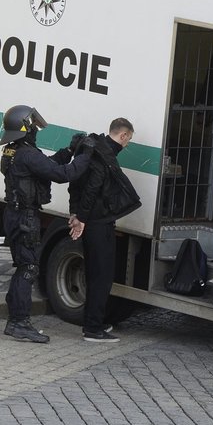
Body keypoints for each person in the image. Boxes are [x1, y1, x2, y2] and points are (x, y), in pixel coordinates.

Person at [0, 105, 91, 343]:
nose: (36, 131)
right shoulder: (27, 154)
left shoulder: (14, 151)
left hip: (14, 214)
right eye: (33, 127)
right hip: (24, 218)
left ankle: (16, 317)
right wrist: (84, 156)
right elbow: (61, 174)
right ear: (25, 129)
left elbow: (46, 165)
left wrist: (70, 150)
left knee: (23, 266)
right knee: (28, 268)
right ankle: (18, 322)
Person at [68, 118, 140, 343]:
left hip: (93, 221)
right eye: (128, 140)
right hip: (99, 223)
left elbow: (75, 184)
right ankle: (92, 329)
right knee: (102, 276)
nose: (127, 145)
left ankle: (93, 323)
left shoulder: (93, 150)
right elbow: (92, 189)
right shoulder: (104, 157)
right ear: (124, 136)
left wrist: (75, 212)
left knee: (94, 274)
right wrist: (81, 218)